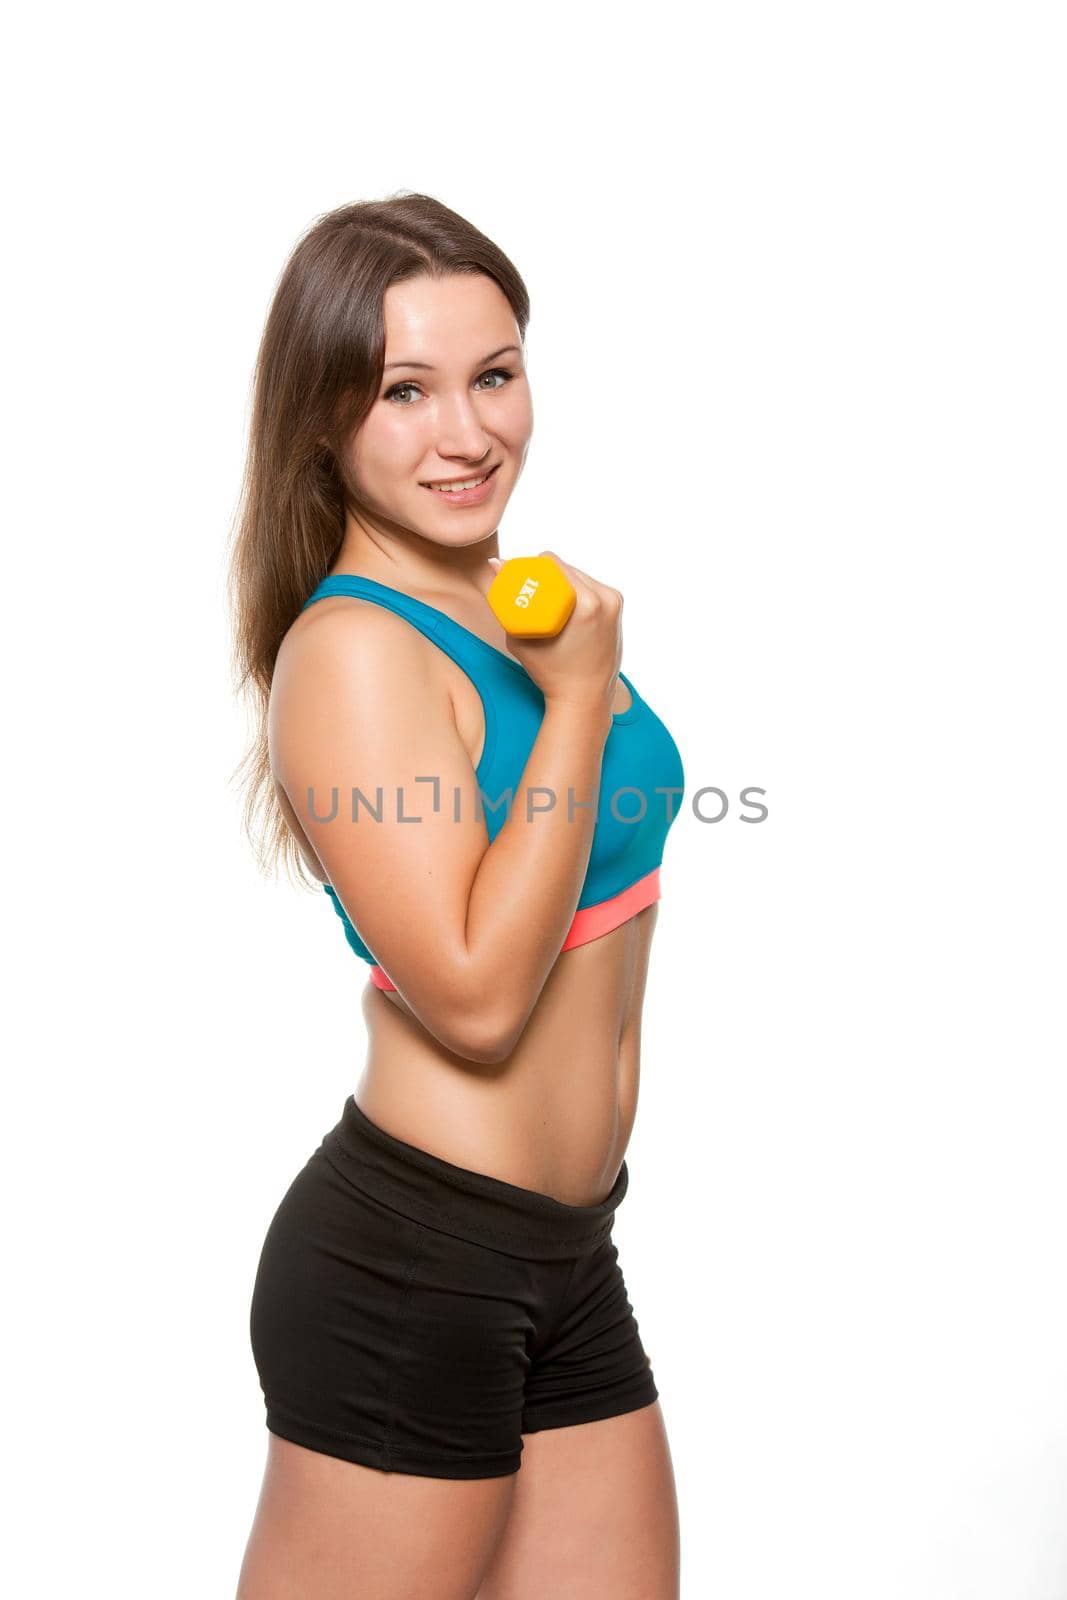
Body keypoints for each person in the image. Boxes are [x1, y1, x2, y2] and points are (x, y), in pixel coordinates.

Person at [230, 193, 685, 1600]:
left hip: (568, 1254)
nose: (468, 432)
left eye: (494, 374)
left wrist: (567, 680)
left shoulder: (517, 602)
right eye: (403, 392)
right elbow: (480, 997)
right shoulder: (355, 650)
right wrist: (581, 700)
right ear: (323, 420)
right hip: (411, 1269)